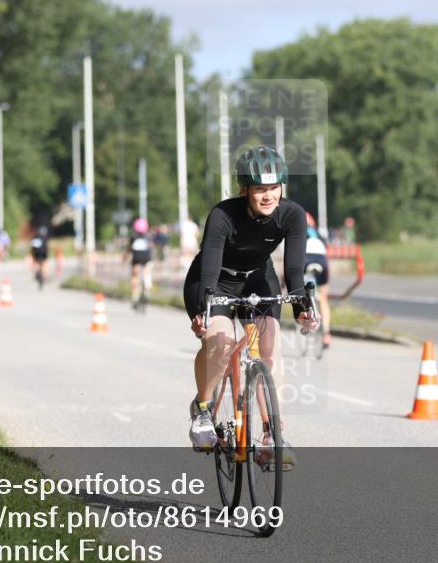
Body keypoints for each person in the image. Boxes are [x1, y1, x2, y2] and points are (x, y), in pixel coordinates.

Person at [183, 145, 318, 465]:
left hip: (258, 279)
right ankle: (203, 410)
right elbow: (210, 268)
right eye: (259, 189)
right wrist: (203, 310)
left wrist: (302, 308)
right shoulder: (223, 215)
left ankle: (273, 434)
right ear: (244, 189)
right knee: (221, 343)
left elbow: (294, 270)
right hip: (214, 281)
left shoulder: (292, 215)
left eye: (274, 187)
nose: (268, 195)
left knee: (270, 349)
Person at [304, 211, 333, 349]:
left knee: (302, 290)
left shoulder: (297, 233)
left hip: (306, 258)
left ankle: (307, 316)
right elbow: (327, 251)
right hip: (322, 260)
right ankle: (327, 333)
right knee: (323, 297)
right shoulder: (319, 235)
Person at [128, 218, 153, 305]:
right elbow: (151, 247)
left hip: (136, 258)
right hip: (146, 257)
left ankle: (135, 295)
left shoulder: (133, 236)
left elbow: (130, 249)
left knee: (134, 275)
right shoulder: (148, 236)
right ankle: (147, 286)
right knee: (147, 271)